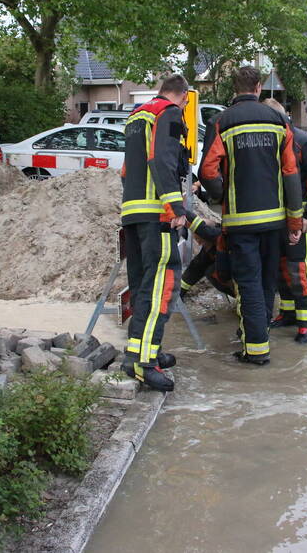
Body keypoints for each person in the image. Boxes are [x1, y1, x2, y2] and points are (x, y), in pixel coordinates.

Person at [200, 66, 303, 365]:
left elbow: (207, 171)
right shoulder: (279, 120)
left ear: (235, 88)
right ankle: (260, 342)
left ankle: (255, 351)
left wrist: (220, 193)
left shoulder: (221, 121)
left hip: (241, 223)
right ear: (259, 87)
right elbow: (291, 173)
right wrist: (294, 222)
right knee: (268, 281)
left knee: (248, 284)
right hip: (275, 222)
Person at [119, 73, 190, 391]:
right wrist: (175, 207)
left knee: (142, 287)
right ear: (183, 96)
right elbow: (162, 159)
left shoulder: (136, 115)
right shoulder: (169, 112)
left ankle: (137, 353)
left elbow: (125, 170)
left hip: (132, 213)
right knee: (162, 286)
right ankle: (145, 364)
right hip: (156, 214)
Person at [263, 99, 307, 344]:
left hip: (300, 218)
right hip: (275, 218)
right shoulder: (269, 140)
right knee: (281, 268)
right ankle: (288, 313)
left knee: (299, 270)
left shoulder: (303, 141)